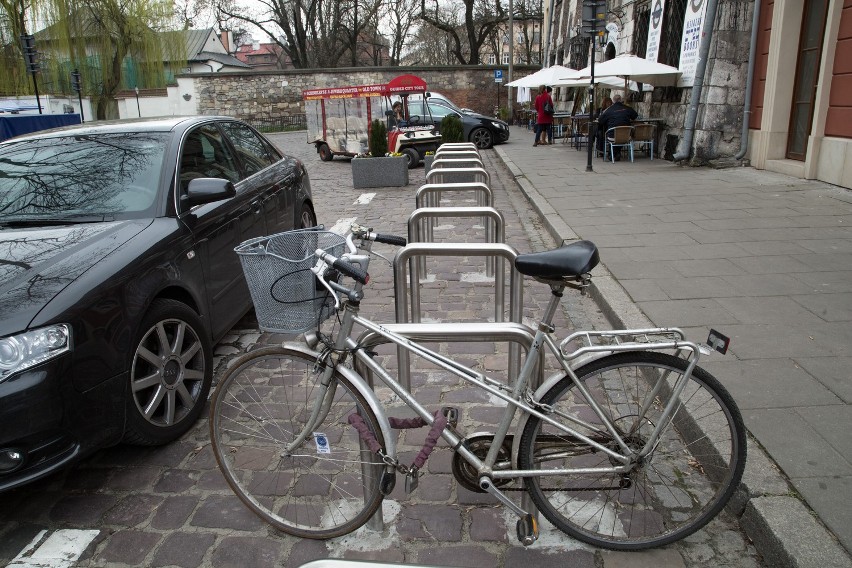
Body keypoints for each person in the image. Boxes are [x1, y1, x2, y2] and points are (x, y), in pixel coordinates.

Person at [598, 94, 638, 160]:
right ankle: (616, 152)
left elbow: (600, 121)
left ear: (613, 101)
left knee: (609, 135)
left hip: (612, 135)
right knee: (621, 138)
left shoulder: (609, 110)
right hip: (626, 136)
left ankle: (613, 153)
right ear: (621, 100)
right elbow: (635, 116)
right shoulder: (627, 108)